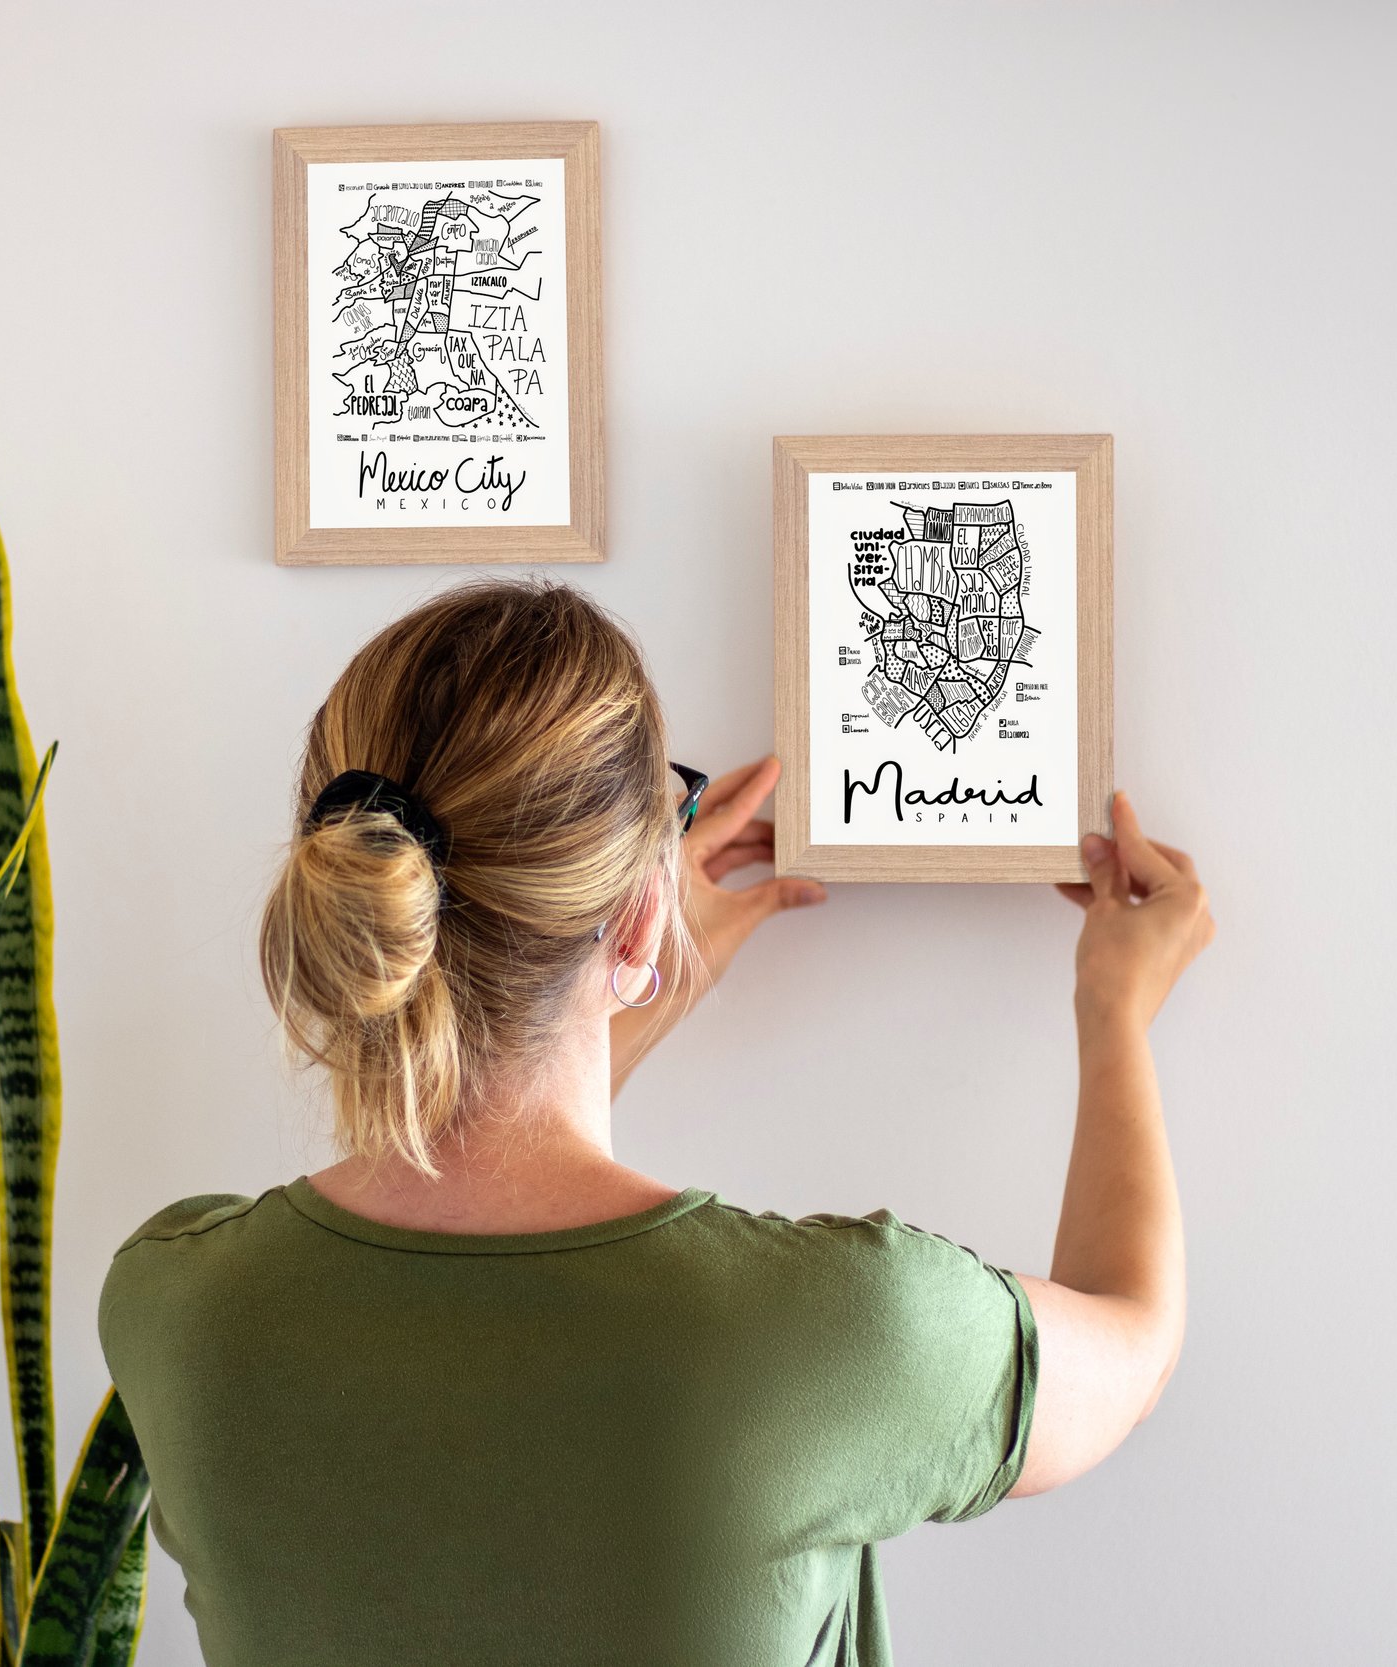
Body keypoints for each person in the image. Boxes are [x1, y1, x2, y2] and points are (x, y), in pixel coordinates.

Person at [97, 579, 1212, 1666]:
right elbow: (1134, 1340)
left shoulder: (178, 1303)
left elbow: (476, 1221)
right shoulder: (837, 1327)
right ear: (639, 914)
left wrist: (643, 973)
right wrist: (1112, 1005)